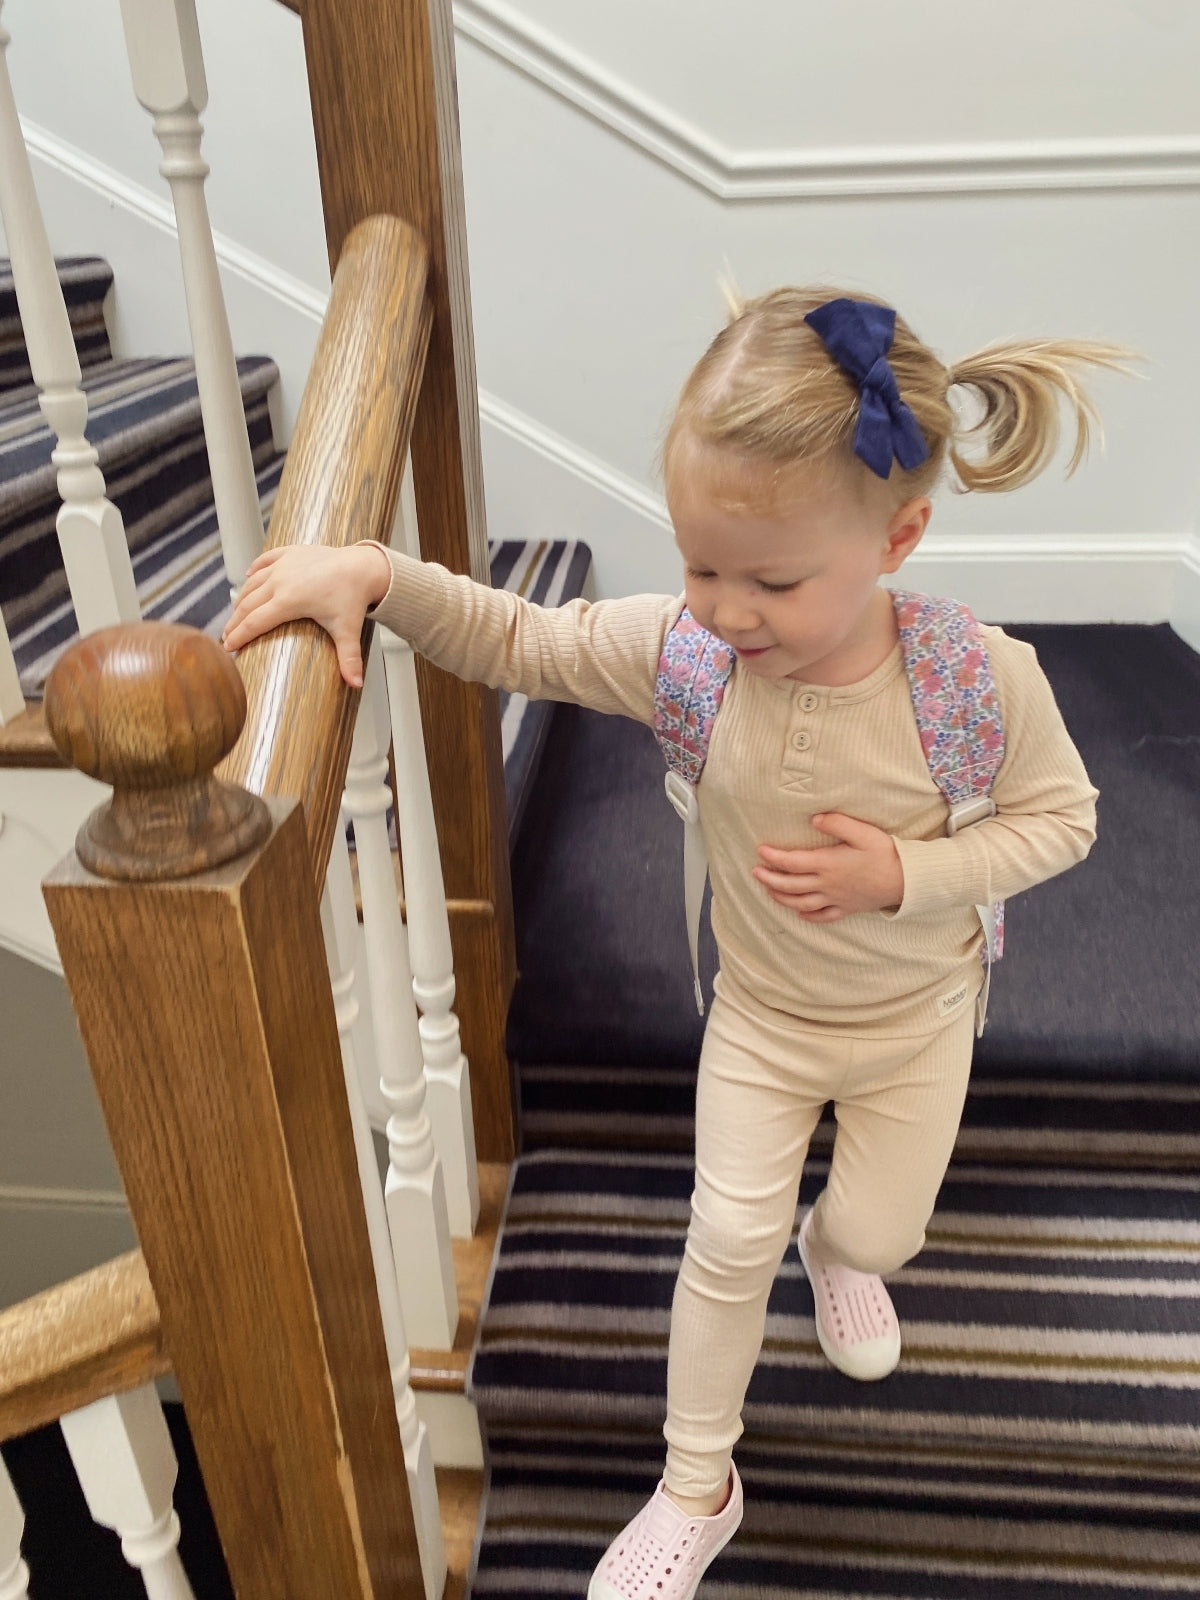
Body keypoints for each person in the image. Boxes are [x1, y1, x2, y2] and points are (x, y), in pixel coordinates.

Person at [223, 287, 1119, 1600]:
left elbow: (1065, 824)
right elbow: (521, 636)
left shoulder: (980, 684)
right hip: (759, 1020)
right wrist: (378, 577)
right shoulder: (686, 654)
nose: (726, 609)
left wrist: (909, 872)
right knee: (722, 1238)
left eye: (772, 579)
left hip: (918, 1026)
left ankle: (840, 1251)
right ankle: (699, 1480)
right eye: (700, 563)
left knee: (879, 1231)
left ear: (899, 537)